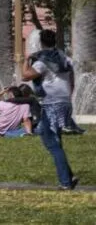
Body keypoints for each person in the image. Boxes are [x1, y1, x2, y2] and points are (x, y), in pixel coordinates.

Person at [23, 29, 79, 189]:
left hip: (51, 104)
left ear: (41, 43)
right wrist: (70, 92)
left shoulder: (42, 61)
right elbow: (72, 76)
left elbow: (25, 75)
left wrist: (26, 60)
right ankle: (69, 176)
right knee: (56, 140)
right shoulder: (64, 57)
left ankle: (65, 182)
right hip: (64, 102)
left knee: (51, 142)